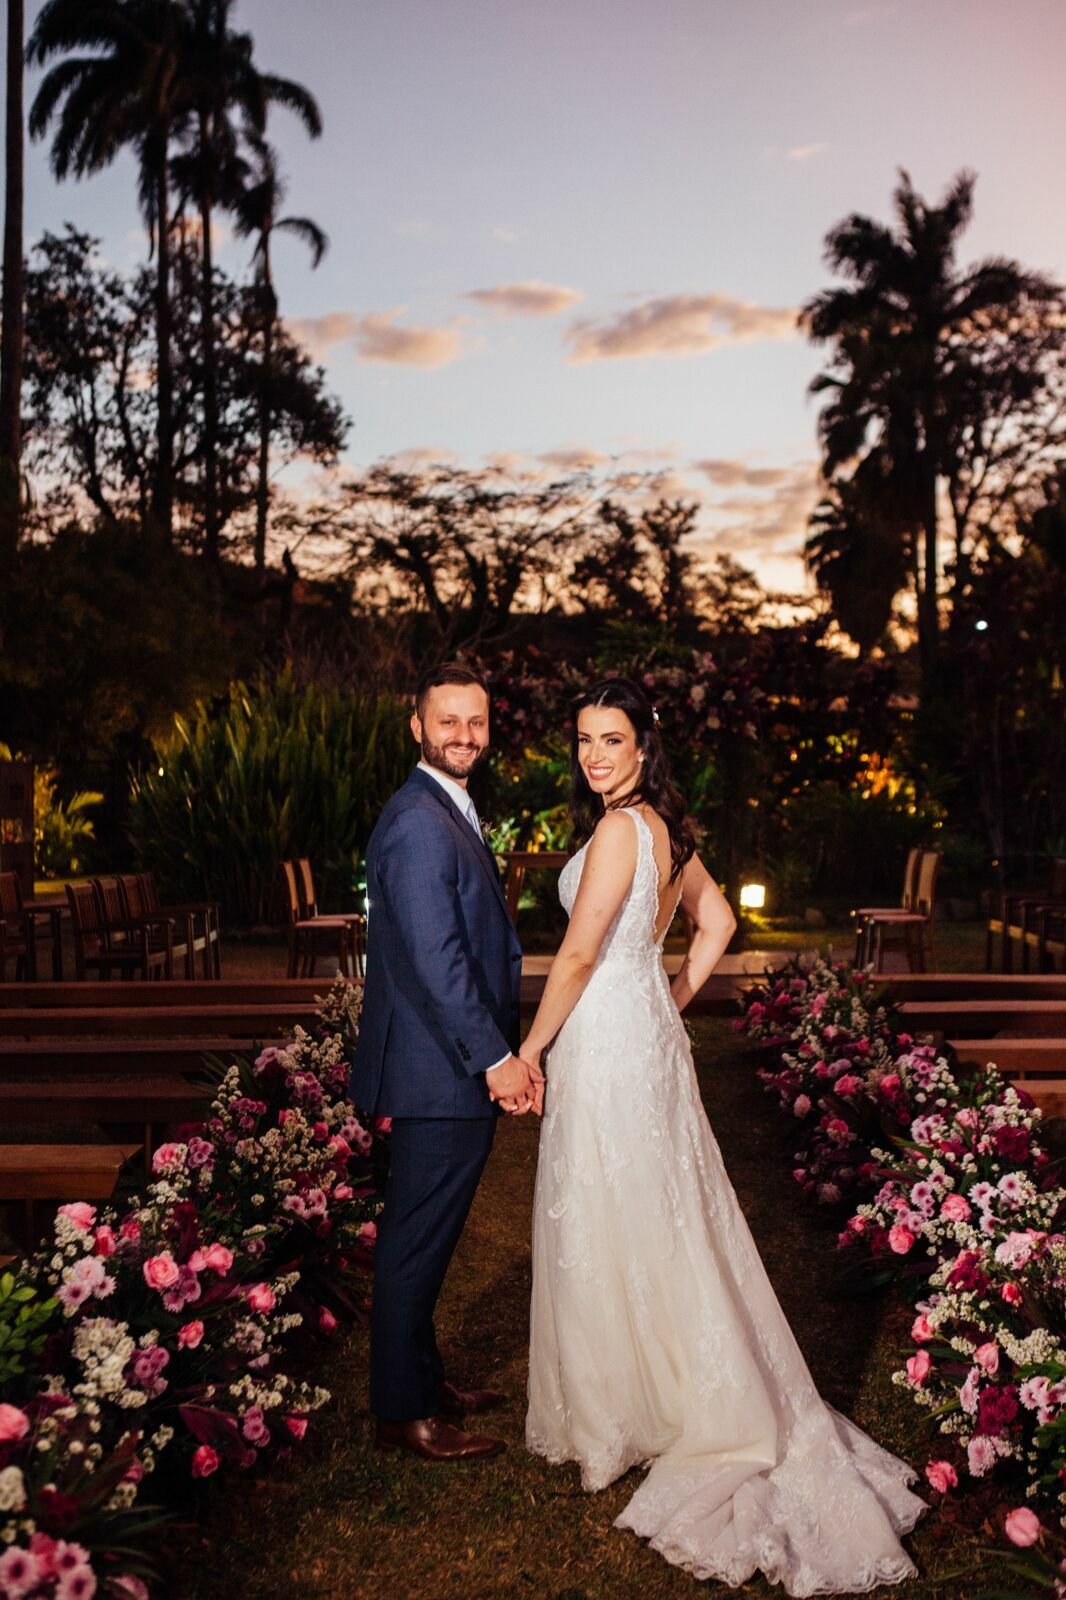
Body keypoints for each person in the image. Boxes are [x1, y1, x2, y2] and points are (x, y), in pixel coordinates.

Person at [523, 677, 925, 1594]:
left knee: (615, 1207)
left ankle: (633, 1408)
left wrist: (531, 1048)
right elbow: (718, 921)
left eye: (612, 739)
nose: (594, 755)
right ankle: (662, 1383)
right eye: (584, 738)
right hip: (645, 1032)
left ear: (642, 745)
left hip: (608, 1037)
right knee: (662, 1210)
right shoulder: (665, 828)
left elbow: (579, 954)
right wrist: (670, 994)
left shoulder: (621, 831)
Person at [350, 661, 542, 1462]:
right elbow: (438, 960)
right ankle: (403, 1413)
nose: (464, 735)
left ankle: (424, 1381)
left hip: (441, 1068)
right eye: (447, 721)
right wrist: (496, 1058)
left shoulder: (443, 807)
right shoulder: (418, 823)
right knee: (414, 1243)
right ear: (417, 728)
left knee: (424, 1238)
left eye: (476, 721)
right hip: (440, 1072)